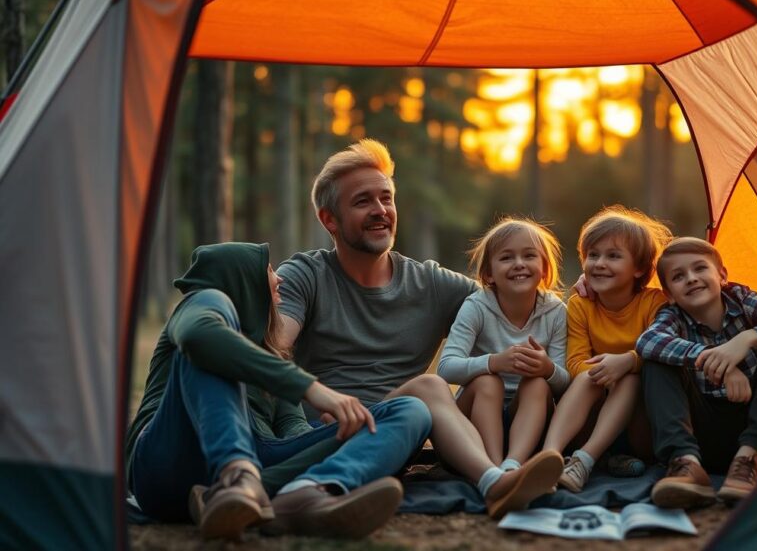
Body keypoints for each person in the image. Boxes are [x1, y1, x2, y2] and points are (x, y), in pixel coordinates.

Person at [276, 139, 562, 519]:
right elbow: (273, 349)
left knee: (423, 397)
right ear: (329, 219)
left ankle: (497, 478)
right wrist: (308, 407)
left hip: (400, 433)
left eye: (386, 199)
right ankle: (495, 483)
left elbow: (509, 294)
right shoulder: (304, 275)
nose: (381, 211)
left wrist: (592, 293)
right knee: (431, 385)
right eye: (363, 202)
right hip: (327, 433)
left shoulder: (432, 284)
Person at [125, 242, 432, 541]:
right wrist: (310, 388)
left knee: (408, 411)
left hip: (257, 458)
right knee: (206, 352)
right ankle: (237, 476)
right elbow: (199, 336)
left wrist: (331, 434)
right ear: (241, 280)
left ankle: (303, 492)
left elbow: (290, 427)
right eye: (268, 269)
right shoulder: (203, 302)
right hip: (167, 460)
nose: (279, 278)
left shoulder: (272, 355)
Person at [636, 237, 757, 508]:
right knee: (656, 361)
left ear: (722, 275)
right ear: (669, 294)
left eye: (700, 268)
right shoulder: (672, 317)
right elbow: (647, 342)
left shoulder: (742, 300)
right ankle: (685, 464)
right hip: (704, 436)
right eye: (678, 276)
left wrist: (749, 338)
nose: (691, 279)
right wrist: (716, 361)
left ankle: (747, 460)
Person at [541, 206, 672, 492]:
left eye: (613, 256)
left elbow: (664, 351)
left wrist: (627, 362)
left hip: (642, 426)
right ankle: (548, 458)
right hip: (590, 417)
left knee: (630, 378)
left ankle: (585, 462)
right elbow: (575, 363)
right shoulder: (580, 304)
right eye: (593, 255)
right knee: (590, 376)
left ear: (639, 268)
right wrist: (607, 375)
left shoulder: (653, 303)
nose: (599, 263)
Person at [437, 218, 571, 470]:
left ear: (544, 267)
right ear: (489, 273)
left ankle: (513, 465)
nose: (519, 264)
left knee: (538, 384)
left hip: (530, 422)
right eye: (506, 257)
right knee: (488, 381)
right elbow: (445, 367)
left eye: (529, 255)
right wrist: (494, 362)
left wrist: (547, 369)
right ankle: (492, 468)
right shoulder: (477, 306)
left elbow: (565, 383)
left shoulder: (556, 312)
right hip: (476, 419)